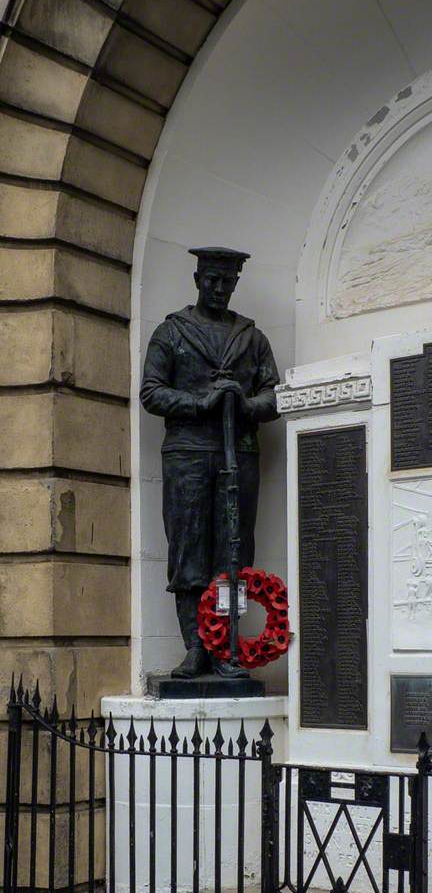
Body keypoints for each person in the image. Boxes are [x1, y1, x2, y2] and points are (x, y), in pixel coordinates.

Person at [140, 247, 279, 678]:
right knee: (188, 552)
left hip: (238, 453)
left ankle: (225, 646)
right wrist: (202, 402)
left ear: (236, 284)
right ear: (198, 279)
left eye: (228, 282)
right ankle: (195, 647)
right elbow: (151, 392)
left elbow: (274, 395)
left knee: (232, 552)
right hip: (188, 454)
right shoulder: (172, 332)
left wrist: (245, 402)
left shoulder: (251, 338)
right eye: (212, 280)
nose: (219, 289)